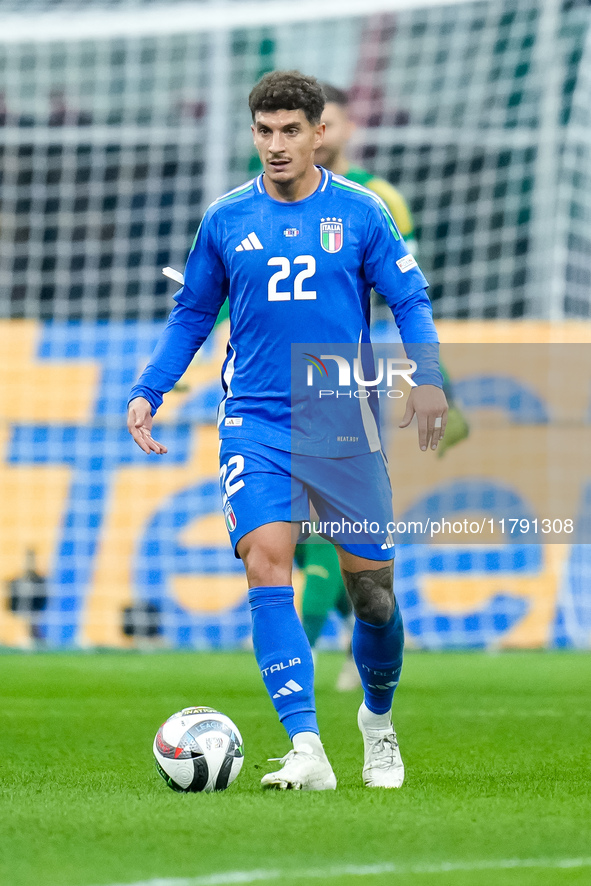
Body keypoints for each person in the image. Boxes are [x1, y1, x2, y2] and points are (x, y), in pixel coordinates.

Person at [127, 70, 448, 791]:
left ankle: (376, 721)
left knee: (372, 597)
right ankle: (306, 747)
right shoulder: (226, 218)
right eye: (264, 131)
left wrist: (426, 378)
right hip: (256, 418)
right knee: (265, 561)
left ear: (317, 134)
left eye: (290, 131)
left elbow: (409, 300)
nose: (276, 145)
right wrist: (151, 387)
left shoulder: (361, 213)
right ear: (253, 134)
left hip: (342, 420)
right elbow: (191, 315)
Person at [298, 84, 470, 690]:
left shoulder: (377, 199)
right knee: (295, 532)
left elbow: (405, 294)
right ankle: (373, 625)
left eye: (327, 124)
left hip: (345, 374)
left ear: (340, 130)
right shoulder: (272, 195)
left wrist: (434, 380)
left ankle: (300, 663)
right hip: (280, 378)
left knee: (327, 527)